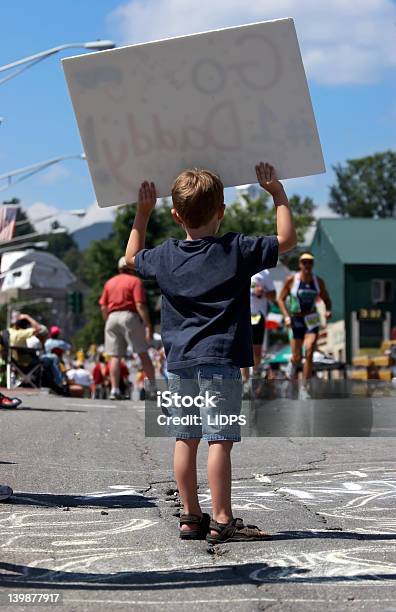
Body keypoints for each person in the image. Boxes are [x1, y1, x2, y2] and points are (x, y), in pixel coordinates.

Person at [125, 162, 297, 543]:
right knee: (220, 440)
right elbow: (286, 240)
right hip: (219, 361)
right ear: (221, 211)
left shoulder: (166, 256)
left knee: (184, 437)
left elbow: (131, 258)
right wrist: (277, 194)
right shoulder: (236, 249)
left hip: (178, 363)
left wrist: (142, 213)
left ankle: (190, 516)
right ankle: (222, 519)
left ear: (176, 215)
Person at [99, 257, 156, 400]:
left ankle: (114, 389)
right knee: (142, 352)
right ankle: (153, 389)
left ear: (119, 269)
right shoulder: (134, 281)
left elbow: (103, 306)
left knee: (115, 356)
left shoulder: (109, 282)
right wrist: (148, 325)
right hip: (129, 316)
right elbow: (139, 305)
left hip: (112, 317)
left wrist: (108, 319)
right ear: (132, 268)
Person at [278, 251, 332, 381]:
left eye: (310, 262)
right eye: (304, 262)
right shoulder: (292, 280)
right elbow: (281, 299)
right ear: (300, 264)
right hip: (296, 318)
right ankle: (292, 364)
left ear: (312, 264)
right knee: (297, 357)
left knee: (309, 352)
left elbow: (326, 299)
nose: (307, 265)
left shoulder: (318, 281)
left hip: (311, 317)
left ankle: (305, 387)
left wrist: (328, 310)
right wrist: (286, 317)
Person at [241, 270, 276, 386]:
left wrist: (263, 292)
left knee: (256, 350)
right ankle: (245, 381)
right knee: (244, 347)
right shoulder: (240, 264)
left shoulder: (264, 273)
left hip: (257, 316)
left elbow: (274, 296)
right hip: (241, 314)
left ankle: (254, 375)